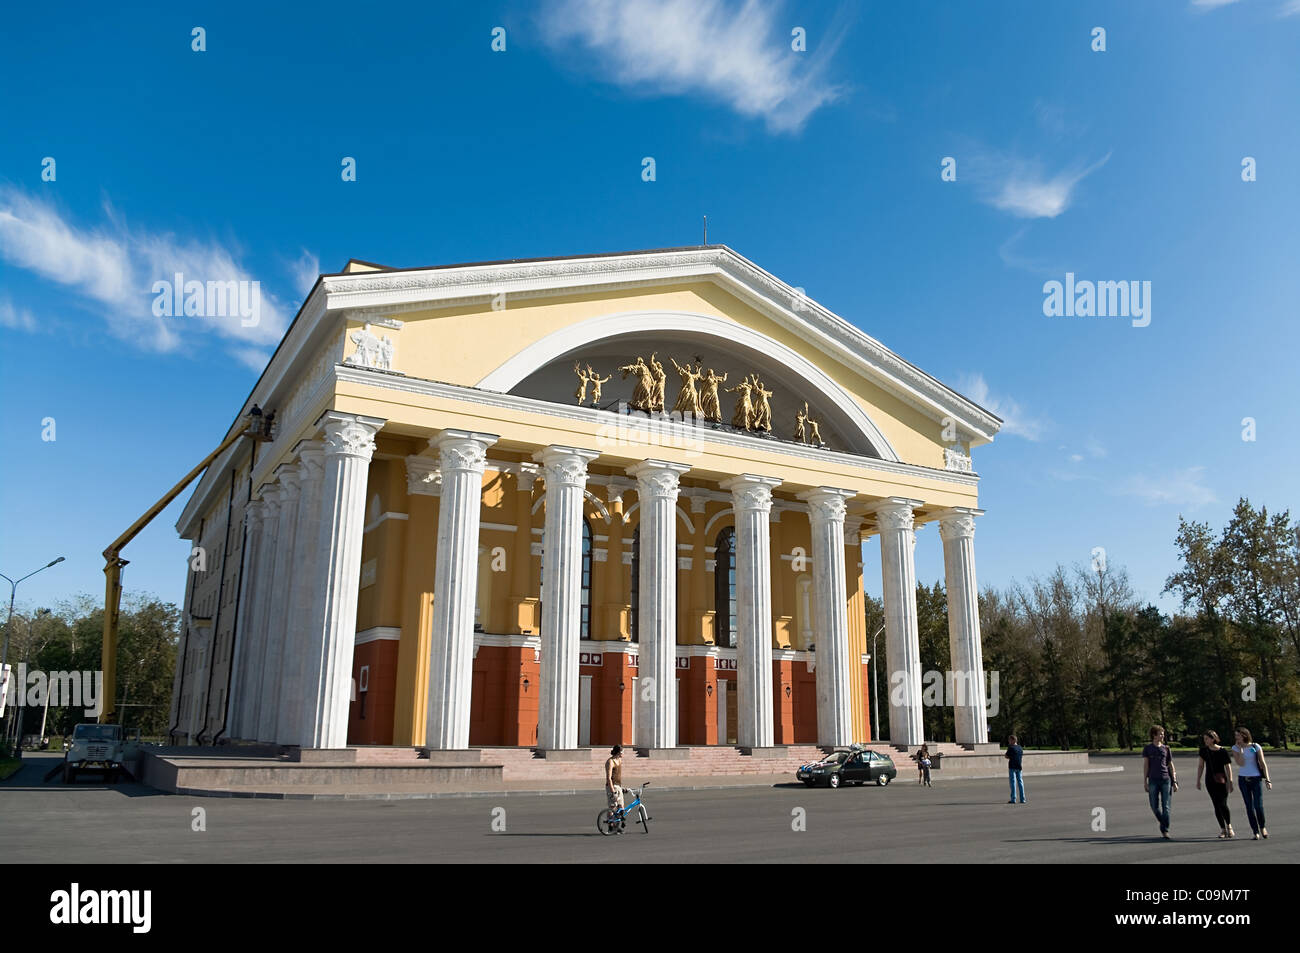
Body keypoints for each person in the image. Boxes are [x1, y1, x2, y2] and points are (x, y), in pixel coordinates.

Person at [1230, 727, 1272, 840]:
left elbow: (1263, 763)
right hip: (1243, 779)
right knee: (1249, 806)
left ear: (1244, 735)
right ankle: (1255, 831)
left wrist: (1268, 779)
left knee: (1258, 805)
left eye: (1238, 735)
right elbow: (1241, 763)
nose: (1236, 738)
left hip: (1256, 778)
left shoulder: (1255, 746)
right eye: (1235, 736)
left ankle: (1262, 827)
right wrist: (1241, 750)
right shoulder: (1235, 748)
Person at [1142, 725, 1179, 839]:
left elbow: (1170, 765)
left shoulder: (1166, 748)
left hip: (1165, 779)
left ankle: (1165, 830)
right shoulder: (1148, 749)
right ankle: (1163, 822)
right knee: (1154, 806)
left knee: (1166, 807)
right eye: (1160, 734)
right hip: (1153, 779)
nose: (1163, 736)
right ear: (1154, 735)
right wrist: (1145, 781)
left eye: (1163, 734)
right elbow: (1146, 765)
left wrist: (1175, 781)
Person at [1196, 730, 1235, 839]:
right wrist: (1198, 780)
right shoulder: (1203, 751)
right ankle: (1222, 829)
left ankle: (1229, 826)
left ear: (1213, 738)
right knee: (1216, 805)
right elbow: (1200, 766)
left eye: (1207, 739)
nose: (1205, 741)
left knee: (1223, 803)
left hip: (1222, 780)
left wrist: (1230, 781)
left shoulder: (1222, 751)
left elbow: (1228, 767)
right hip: (1210, 780)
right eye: (1204, 739)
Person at [605, 744, 630, 829]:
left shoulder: (619, 760)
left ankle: (618, 826)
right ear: (618, 752)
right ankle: (610, 825)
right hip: (611, 787)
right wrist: (613, 791)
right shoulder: (610, 762)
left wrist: (621, 788)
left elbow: (618, 776)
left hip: (618, 786)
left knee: (621, 807)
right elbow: (609, 778)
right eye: (622, 752)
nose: (623, 753)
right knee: (613, 807)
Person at [1006, 734, 1026, 803]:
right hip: (1019, 766)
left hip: (1012, 767)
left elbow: (1006, 756)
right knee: (1020, 782)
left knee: (1013, 783)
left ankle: (1013, 799)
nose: (1009, 741)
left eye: (1009, 740)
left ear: (1013, 740)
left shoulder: (1011, 747)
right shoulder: (1020, 747)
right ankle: (1022, 799)